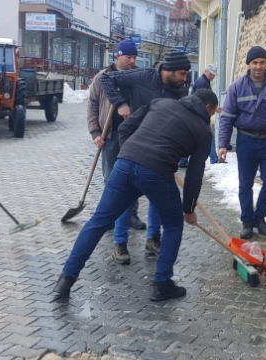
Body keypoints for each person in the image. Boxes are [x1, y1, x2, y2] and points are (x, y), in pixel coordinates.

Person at [53, 89, 218, 302]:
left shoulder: (161, 102)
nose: (211, 117)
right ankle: (162, 283)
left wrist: (131, 152)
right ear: (207, 107)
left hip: (124, 165)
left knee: (98, 221)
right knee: (173, 223)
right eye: (212, 113)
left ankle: (65, 280)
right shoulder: (203, 132)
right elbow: (195, 175)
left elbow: (127, 127)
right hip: (157, 173)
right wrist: (188, 209)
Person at [99, 48, 191, 262]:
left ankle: (152, 240)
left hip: (161, 150)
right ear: (169, 70)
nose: (185, 79)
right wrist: (121, 103)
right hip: (134, 143)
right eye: (183, 74)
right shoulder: (143, 76)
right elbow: (107, 78)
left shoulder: (180, 89)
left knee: (158, 197)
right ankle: (120, 244)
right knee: (125, 196)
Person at [217, 46, 266, 239]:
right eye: (255, 62)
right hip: (246, 141)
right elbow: (227, 117)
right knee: (245, 184)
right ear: (248, 64)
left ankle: (260, 217)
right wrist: (222, 143)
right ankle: (247, 221)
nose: (258, 66)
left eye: (262, 62)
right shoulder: (237, 87)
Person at [87, 40, 153, 264]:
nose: (132, 61)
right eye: (129, 57)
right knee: (111, 179)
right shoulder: (102, 77)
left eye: (135, 57)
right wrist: (96, 131)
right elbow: (93, 105)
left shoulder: (136, 77)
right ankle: (110, 216)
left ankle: (131, 214)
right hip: (110, 134)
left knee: (132, 179)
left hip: (133, 135)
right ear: (118, 56)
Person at [180, 64, 219, 167]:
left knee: (192, 136)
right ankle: (213, 159)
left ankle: (183, 159)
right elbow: (203, 100)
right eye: (211, 74)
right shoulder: (203, 83)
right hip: (199, 113)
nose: (212, 76)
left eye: (214, 75)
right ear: (206, 71)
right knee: (208, 134)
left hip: (197, 112)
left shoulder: (204, 81)